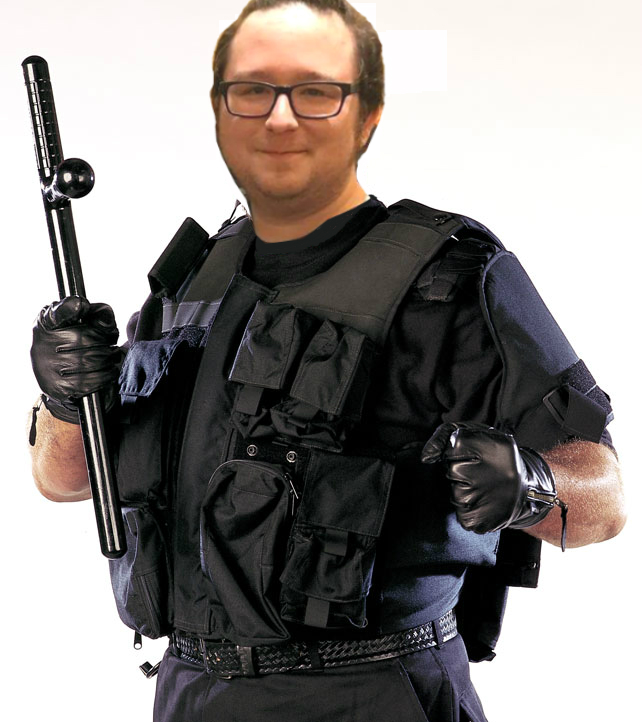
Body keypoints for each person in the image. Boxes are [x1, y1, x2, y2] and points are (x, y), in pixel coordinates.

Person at [28, 1, 626, 720]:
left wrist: (531, 486)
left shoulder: (450, 279)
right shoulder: (190, 285)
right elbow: (65, 481)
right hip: (190, 692)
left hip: (372, 692)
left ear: (365, 116)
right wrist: (65, 400)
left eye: (313, 93)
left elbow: (606, 502)